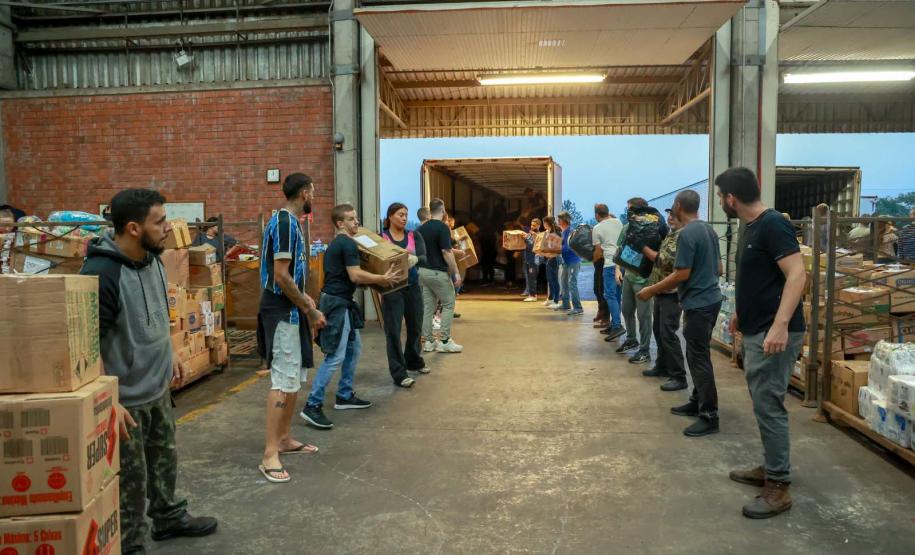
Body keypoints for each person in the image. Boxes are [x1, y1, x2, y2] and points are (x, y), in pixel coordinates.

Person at [80, 189, 217, 555]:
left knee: (163, 460)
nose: (168, 227)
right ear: (133, 228)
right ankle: (131, 542)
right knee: (132, 481)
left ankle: (168, 517)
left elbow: (161, 312)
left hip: (157, 388)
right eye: (159, 221)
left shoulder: (153, 261)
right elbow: (88, 346)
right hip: (127, 401)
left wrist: (171, 351)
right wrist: (109, 401)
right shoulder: (100, 273)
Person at [714, 168, 807, 518]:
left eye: (721, 195)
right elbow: (756, 279)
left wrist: (781, 325)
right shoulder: (749, 227)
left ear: (731, 198)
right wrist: (740, 311)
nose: (721, 201)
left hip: (774, 332)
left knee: (769, 405)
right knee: (763, 401)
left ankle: (779, 486)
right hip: (757, 328)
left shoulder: (772, 225)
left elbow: (797, 275)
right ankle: (772, 466)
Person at [300, 204, 400, 429]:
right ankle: (312, 404)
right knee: (335, 355)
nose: (357, 222)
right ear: (340, 223)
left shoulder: (341, 243)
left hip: (340, 301)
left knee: (354, 350)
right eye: (352, 219)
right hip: (337, 304)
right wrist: (381, 278)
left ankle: (344, 395)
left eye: (356, 218)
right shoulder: (345, 243)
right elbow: (355, 276)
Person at [256, 173, 326, 483]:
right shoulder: (284, 223)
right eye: (313, 191)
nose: (315, 197)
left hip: (292, 309)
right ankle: (270, 453)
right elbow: (281, 276)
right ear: (304, 193)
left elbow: (292, 278)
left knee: (295, 376)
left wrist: (307, 301)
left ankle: (284, 438)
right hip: (282, 310)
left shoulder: (291, 224)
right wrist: (309, 308)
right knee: (283, 379)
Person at [638, 189, 722, 438]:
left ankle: (709, 415)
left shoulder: (685, 235)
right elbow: (718, 267)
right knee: (697, 354)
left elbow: (681, 274)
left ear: (677, 206)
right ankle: (697, 400)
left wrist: (651, 290)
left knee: (698, 359)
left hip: (698, 304)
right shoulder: (708, 230)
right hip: (711, 300)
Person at [381, 202, 431, 388]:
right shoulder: (382, 237)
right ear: (390, 217)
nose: (403, 218)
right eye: (400, 214)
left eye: (405, 214)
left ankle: (413, 360)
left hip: (412, 286)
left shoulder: (414, 235)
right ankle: (399, 373)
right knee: (393, 331)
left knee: (415, 327)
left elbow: (425, 258)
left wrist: (415, 259)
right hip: (392, 289)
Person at [640, 209, 688, 392]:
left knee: (668, 332)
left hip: (672, 292)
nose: (670, 218)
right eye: (669, 215)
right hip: (662, 290)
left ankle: (678, 376)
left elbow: (666, 261)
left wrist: (644, 248)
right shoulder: (671, 234)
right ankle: (662, 365)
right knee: (659, 330)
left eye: (674, 215)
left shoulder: (681, 236)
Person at [418, 198, 464, 353]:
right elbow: (446, 251)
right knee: (449, 303)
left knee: (428, 307)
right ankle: (444, 340)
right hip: (438, 272)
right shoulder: (443, 228)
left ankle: (429, 341)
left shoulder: (421, 229)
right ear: (443, 210)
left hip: (423, 272)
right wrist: (456, 272)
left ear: (430, 210)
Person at [613, 198, 654, 365]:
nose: (628, 212)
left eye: (631, 209)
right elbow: (620, 249)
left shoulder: (652, 228)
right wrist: (617, 270)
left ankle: (645, 351)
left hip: (643, 278)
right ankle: (631, 339)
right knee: (626, 310)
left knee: (644, 316)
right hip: (629, 276)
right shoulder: (626, 228)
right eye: (627, 209)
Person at [592, 204, 624, 338]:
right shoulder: (618, 222)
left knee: (609, 295)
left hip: (610, 264)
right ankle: (613, 323)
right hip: (621, 263)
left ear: (596, 215)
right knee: (616, 296)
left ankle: (617, 326)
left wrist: (592, 259)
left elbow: (598, 252)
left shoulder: (597, 228)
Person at [556, 211, 583, 315]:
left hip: (573, 261)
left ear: (564, 220)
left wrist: (556, 248)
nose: (558, 221)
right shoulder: (564, 231)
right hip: (566, 262)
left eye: (559, 220)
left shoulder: (570, 231)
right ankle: (566, 304)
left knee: (572, 284)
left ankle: (578, 307)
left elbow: (568, 248)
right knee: (564, 283)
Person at [542, 216, 562, 308]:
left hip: (554, 258)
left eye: (544, 222)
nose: (543, 224)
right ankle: (550, 298)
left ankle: (556, 300)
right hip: (548, 257)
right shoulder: (547, 232)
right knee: (549, 279)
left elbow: (557, 247)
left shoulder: (556, 233)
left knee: (554, 280)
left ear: (548, 223)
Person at [522, 217, 542, 301]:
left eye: (534, 225)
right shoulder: (530, 233)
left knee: (532, 277)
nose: (532, 227)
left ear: (539, 226)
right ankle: (531, 294)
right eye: (531, 225)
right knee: (529, 278)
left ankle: (533, 295)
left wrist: (526, 238)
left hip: (534, 260)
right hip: (528, 259)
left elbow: (533, 246)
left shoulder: (539, 235)